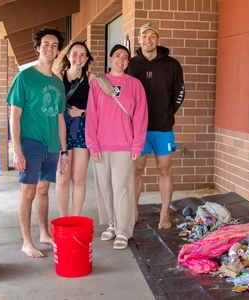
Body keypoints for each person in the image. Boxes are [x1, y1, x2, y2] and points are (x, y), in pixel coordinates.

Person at [6, 27, 68, 258]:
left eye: (54, 45)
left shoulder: (59, 83)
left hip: (52, 144)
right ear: (37, 48)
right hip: (31, 141)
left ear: (58, 50)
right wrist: (17, 150)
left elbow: (61, 119)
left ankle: (43, 233)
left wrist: (64, 152)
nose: (50, 48)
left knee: (43, 190)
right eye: (46, 44)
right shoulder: (24, 77)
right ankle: (26, 242)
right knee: (28, 192)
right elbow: (14, 115)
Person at [85, 44, 148, 250]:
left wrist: (137, 144)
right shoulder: (98, 84)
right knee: (105, 189)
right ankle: (112, 225)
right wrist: (92, 145)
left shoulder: (135, 84)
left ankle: (123, 230)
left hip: (124, 145)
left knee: (122, 189)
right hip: (102, 145)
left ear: (128, 62)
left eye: (125, 57)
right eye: (118, 56)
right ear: (110, 59)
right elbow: (92, 115)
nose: (121, 60)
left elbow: (140, 116)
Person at [127, 23, 185, 229]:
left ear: (158, 39)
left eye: (153, 36)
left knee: (164, 169)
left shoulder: (172, 64)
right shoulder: (131, 64)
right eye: (145, 36)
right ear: (139, 39)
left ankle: (164, 214)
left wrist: (168, 112)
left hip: (162, 127)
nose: (148, 40)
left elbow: (179, 93)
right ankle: (133, 211)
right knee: (136, 170)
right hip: (137, 129)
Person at [55, 41, 95, 216]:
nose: (78, 58)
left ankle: (76, 219)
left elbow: (99, 109)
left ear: (86, 58)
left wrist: (82, 112)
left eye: (82, 55)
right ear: (68, 56)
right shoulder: (58, 77)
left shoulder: (91, 78)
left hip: (82, 130)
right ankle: (64, 219)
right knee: (63, 179)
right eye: (75, 54)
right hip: (62, 128)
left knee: (78, 179)